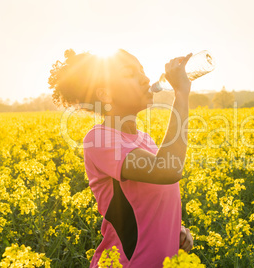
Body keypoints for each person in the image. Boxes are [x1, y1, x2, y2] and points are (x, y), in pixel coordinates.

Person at [48, 48, 194, 267]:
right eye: (130, 74)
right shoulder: (99, 139)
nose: (145, 78)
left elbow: (152, 203)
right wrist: (181, 94)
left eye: (142, 71)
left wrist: (176, 231)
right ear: (105, 94)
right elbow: (168, 169)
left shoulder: (146, 140)